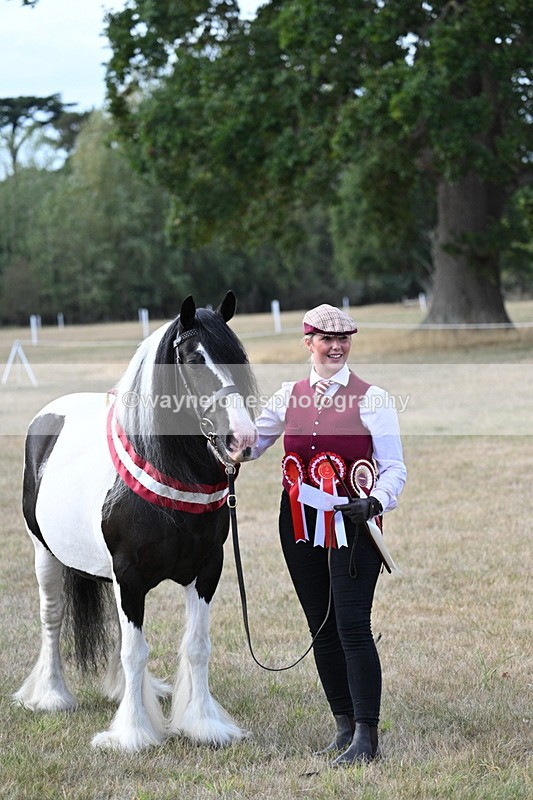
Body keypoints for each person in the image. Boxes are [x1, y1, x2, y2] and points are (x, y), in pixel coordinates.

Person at [252, 303, 406, 765]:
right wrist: (217, 428)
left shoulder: (373, 398)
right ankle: (343, 726)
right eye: (327, 339)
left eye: (343, 339)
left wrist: (374, 501)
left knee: (352, 625)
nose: (336, 347)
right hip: (298, 523)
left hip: (354, 522)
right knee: (320, 625)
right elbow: (249, 445)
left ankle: (366, 735)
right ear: (309, 343)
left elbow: (394, 468)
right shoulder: (288, 396)